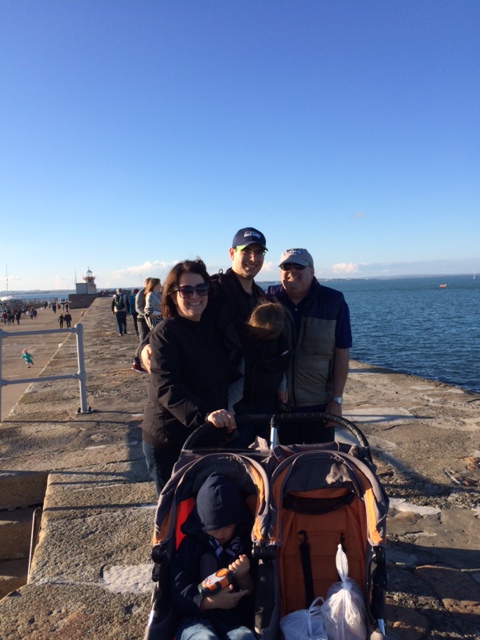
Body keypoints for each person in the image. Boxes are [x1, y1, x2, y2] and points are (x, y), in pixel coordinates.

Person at [141, 259, 236, 495]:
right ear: (173, 295)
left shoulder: (209, 326)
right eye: (186, 290)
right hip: (169, 439)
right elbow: (167, 387)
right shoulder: (165, 333)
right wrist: (205, 414)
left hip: (202, 436)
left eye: (201, 289)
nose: (195, 295)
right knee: (174, 507)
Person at [267, 248, 352, 443]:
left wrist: (336, 399)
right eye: (286, 266)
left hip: (319, 406)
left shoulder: (333, 301)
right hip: (278, 406)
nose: (292, 271)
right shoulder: (268, 298)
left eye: (299, 266)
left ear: (312, 271)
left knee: (320, 459)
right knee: (284, 461)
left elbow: (342, 351)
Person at [171, 473, 255, 640]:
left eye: (228, 526)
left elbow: (255, 594)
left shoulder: (244, 544)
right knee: (203, 638)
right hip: (195, 619)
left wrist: (244, 577)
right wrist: (209, 602)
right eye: (214, 528)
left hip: (235, 620)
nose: (221, 533)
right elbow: (177, 589)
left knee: (244, 637)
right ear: (202, 524)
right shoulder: (191, 545)